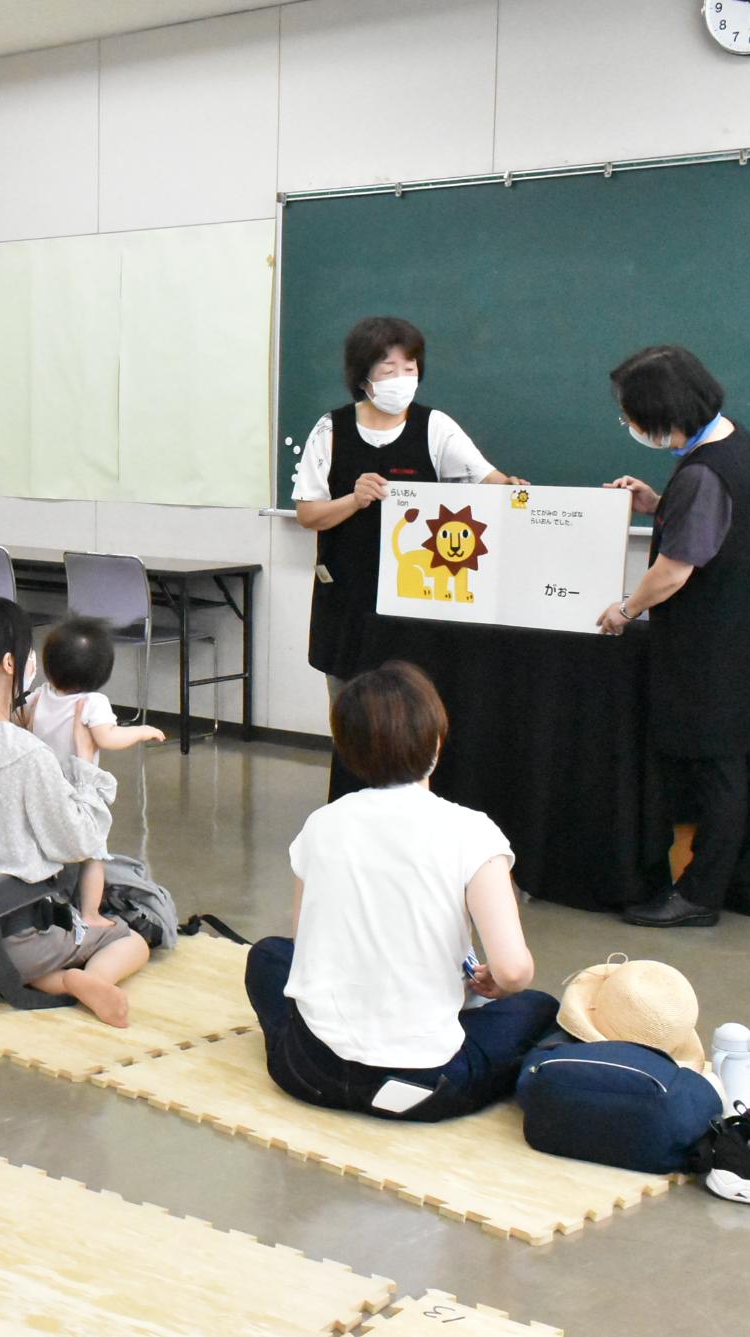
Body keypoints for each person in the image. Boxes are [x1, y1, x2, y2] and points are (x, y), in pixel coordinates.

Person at [244, 662, 558, 1122]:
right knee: (537, 1008)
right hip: (425, 1088)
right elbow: (512, 971)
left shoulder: (322, 823)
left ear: (349, 749)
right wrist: (497, 982)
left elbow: (304, 940)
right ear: (435, 740)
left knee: (269, 956)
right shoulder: (471, 831)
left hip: (308, 1072)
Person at [596, 346, 750, 928]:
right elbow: (713, 529)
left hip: (717, 649)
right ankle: (749, 884)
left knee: (718, 770)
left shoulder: (703, 471)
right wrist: (659, 505)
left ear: (663, 410)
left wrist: (624, 609)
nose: (630, 426)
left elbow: (675, 571)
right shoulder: (733, 441)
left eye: (632, 415)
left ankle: (699, 895)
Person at [0, 596, 150, 1027]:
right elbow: (77, 841)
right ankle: (84, 980)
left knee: (1, 957)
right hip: (16, 935)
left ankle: (45, 977)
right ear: (9, 663)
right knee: (132, 941)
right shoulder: (27, 753)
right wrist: (85, 763)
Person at [294, 316, 524, 701]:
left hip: (418, 600)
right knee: (352, 709)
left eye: (410, 368)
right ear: (363, 376)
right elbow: (308, 514)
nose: (402, 378)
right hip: (347, 597)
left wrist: (514, 489)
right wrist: (354, 500)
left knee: (415, 706)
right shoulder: (330, 429)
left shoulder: (435, 427)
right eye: (389, 369)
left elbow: (490, 480)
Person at [25, 617, 164, 927]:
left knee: (43, 845)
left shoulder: (41, 695)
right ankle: (91, 914)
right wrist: (141, 731)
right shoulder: (93, 702)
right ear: (102, 673)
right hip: (78, 790)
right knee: (94, 853)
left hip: (42, 786)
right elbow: (107, 738)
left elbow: (19, 717)